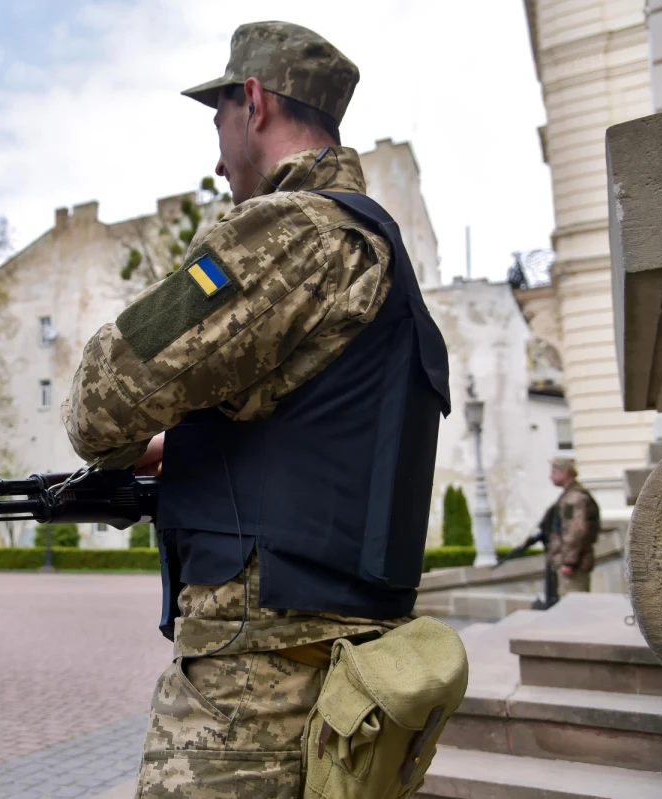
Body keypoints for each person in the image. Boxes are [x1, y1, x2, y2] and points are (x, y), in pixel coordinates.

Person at [62, 21, 454, 797]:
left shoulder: (294, 230)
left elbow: (100, 401)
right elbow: (321, 433)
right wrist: (195, 446)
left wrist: (123, 442)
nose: (215, 157)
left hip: (254, 690)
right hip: (347, 674)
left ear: (253, 102)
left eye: (218, 123)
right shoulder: (378, 245)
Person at [545, 457, 601, 595]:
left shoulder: (573, 499)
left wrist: (569, 562)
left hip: (573, 566)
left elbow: (575, 530)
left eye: (554, 471)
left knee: (574, 604)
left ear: (565, 473)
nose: (550, 476)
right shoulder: (570, 496)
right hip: (571, 562)